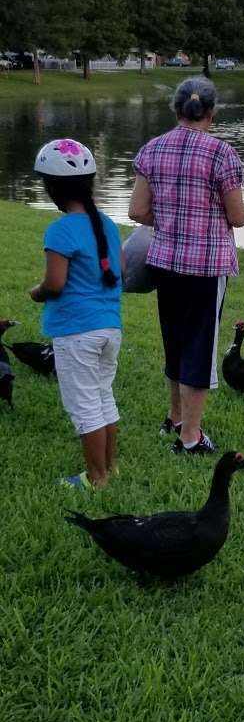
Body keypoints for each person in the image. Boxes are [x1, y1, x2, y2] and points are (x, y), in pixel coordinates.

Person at [128, 77, 244, 456]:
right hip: (206, 267)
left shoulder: (152, 149)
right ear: (210, 113)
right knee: (200, 347)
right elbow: (238, 215)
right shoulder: (221, 154)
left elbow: (137, 210)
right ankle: (191, 439)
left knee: (176, 342)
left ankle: (176, 417)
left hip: (164, 262)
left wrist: (170, 220)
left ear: (176, 110)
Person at [30, 137, 124, 488]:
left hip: (76, 331)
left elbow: (54, 284)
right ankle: (111, 468)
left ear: (51, 187)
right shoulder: (108, 226)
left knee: (84, 406)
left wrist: (36, 293)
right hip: (110, 328)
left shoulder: (60, 229)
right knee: (103, 396)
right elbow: (121, 271)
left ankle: (96, 479)